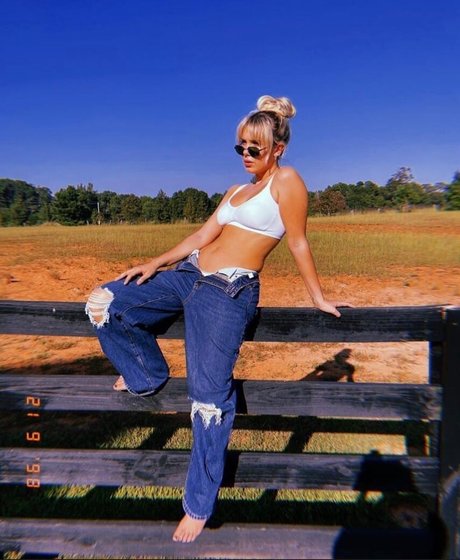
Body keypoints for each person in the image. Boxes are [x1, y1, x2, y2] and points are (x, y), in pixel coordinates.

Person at [85, 95, 351, 543]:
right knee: (104, 302)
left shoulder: (287, 181)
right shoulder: (233, 191)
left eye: (254, 148)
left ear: (278, 149)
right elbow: (202, 235)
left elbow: (298, 242)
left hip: (228, 290)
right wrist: (156, 262)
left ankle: (198, 504)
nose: (246, 154)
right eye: (240, 147)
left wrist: (318, 297)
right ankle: (144, 373)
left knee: (208, 398)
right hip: (188, 274)